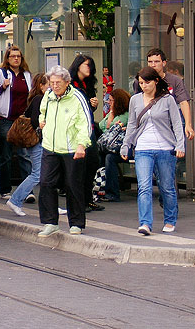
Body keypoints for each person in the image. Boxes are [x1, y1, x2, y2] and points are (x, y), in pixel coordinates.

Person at [121, 66, 185, 235]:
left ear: (156, 81)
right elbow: (132, 125)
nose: (144, 86)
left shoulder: (167, 99)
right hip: (143, 148)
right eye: (141, 83)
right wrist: (126, 145)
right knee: (144, 187)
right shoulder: (135, 100)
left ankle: (170, 220)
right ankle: (145, 223)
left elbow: (177, 123)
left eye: (147, 82)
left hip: (165, 148)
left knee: (167, 187)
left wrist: (180, 145)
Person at [37, 65, 91, 237]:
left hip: (71, 148)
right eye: (52, 82)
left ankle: (76, 223)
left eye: (58, 82)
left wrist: (82, 145)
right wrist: (41, 121)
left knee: (73, 185)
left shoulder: (77, 97)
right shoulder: (49, 95)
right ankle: (50, 222)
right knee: (46, 183)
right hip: (50, 146)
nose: (54, 86)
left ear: (67, 82)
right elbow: (42, 111)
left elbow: (85, 123)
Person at [0, 46, 34, 199]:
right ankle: (5, 189)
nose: (16, 59)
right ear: (7, 59)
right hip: (5, 119)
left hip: (22, 120)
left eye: (18, 56)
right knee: (5, 154)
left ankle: (27, 191)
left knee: (24, 155)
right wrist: (2, 87)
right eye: (13, 56)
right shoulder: (1, 73)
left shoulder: (26, 75)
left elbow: (30, 94)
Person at [6, 73, 47, 216]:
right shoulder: (39, 100)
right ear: (41, 86)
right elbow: (36, 121)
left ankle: (50, 205)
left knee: (46, 174)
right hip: (36, 141)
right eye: (49, 84)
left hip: (37, 141)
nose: (53, 87)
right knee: (37, 174)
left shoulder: (38, 99)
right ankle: (15, 200)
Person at [133, 48, 194, 141]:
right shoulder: (140, 80)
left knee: (176, 151)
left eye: (156, 61)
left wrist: (188, 124)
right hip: (148, 124)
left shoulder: (174, 80)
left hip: (171, 123)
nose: (153, 65)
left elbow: (183, 102)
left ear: (164, 63)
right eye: (150, 62)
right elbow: (136, 104)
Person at [68, 54, 103, 212]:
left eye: (90, 65)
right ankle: (79, 201)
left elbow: (87, 110)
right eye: (86, 65)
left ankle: (87, 198)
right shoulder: (71, 84)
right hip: (76, 130)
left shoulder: (87, 84)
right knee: (79, 166)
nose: (89, 68)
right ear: (78, 66)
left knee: (93, 162)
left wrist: (93, 105)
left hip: (89, 129)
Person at [101, 88, 132, 202]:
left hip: (125, 148)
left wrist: (111, 115)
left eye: (111, 100)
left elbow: (108, 127)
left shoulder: (125, 115)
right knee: (101, 155)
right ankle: (101, 187)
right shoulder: (112, 113)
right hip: (112, 147)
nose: (109, 103)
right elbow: (101, 126)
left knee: (109, 158)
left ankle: (112, 192)